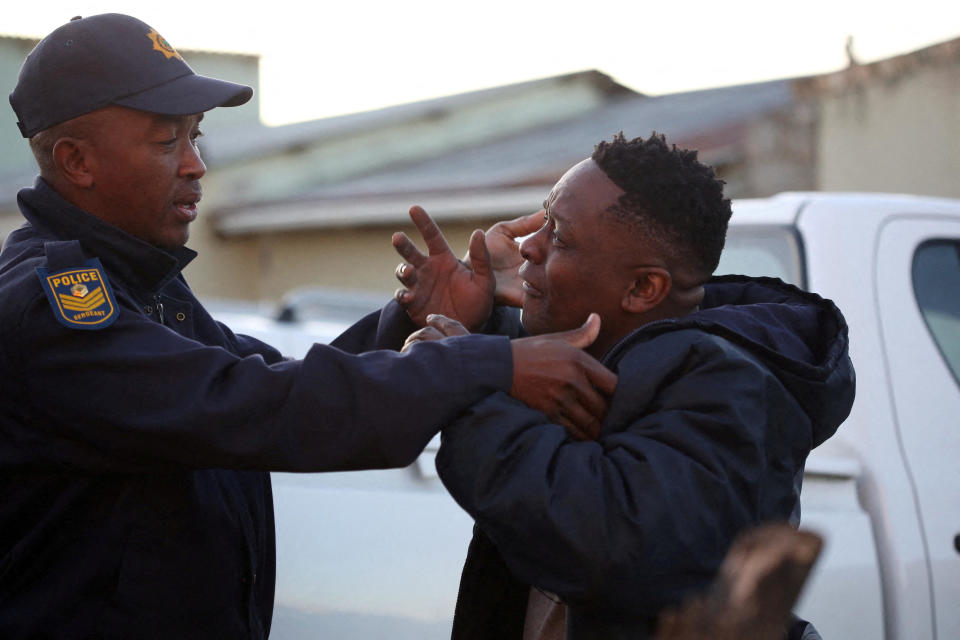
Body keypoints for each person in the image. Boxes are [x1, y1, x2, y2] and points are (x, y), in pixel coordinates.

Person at [0, 14, 617, 638]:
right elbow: (253, 407)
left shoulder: (136, 278)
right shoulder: (53, 306)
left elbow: (269, 377)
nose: (196, 165)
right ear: (77, 161)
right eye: (167, 142)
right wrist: (491, 364)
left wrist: (419, 318)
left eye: (197, 136)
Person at [391, 133, 855, 638]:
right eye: (543, 218)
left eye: (561, 237)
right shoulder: (590, 350)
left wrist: (470, 376)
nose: (528, 245)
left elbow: (605, 538)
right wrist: (475, 325)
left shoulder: (732, 391)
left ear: (642, 289)